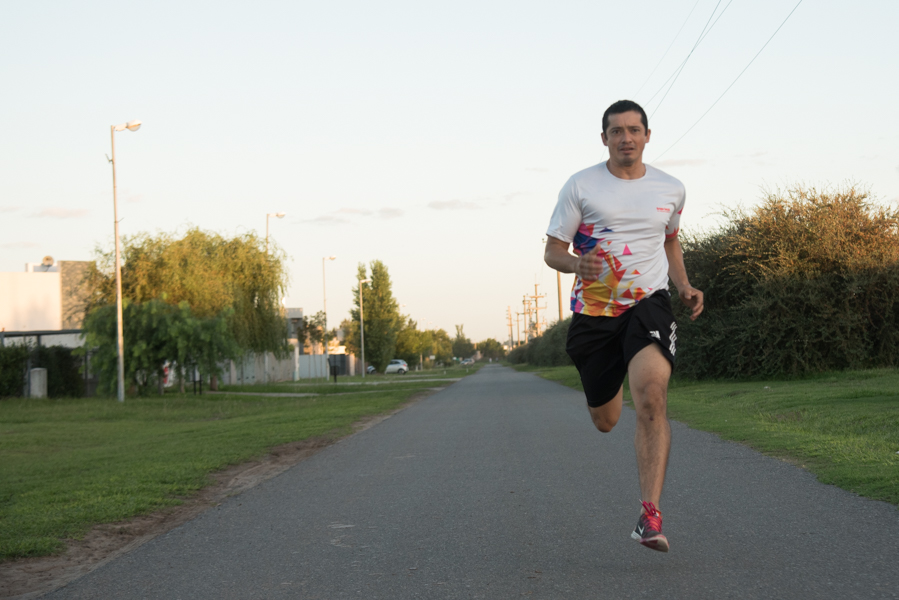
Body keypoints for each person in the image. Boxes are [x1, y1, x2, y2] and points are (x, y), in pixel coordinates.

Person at [543, 99, 704, 553]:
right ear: (604, 139)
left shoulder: (671, 189)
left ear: (647, 135)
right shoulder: (581, 186)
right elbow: (552, 250)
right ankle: (608, 378)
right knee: (606, 421)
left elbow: (669, 242)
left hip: (648, 303)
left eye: (634, 130)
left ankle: (648, 516)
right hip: (595, 313)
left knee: (653, 395)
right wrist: (577, 264)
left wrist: (686, 285)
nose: (626, 138)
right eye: (617, 131)